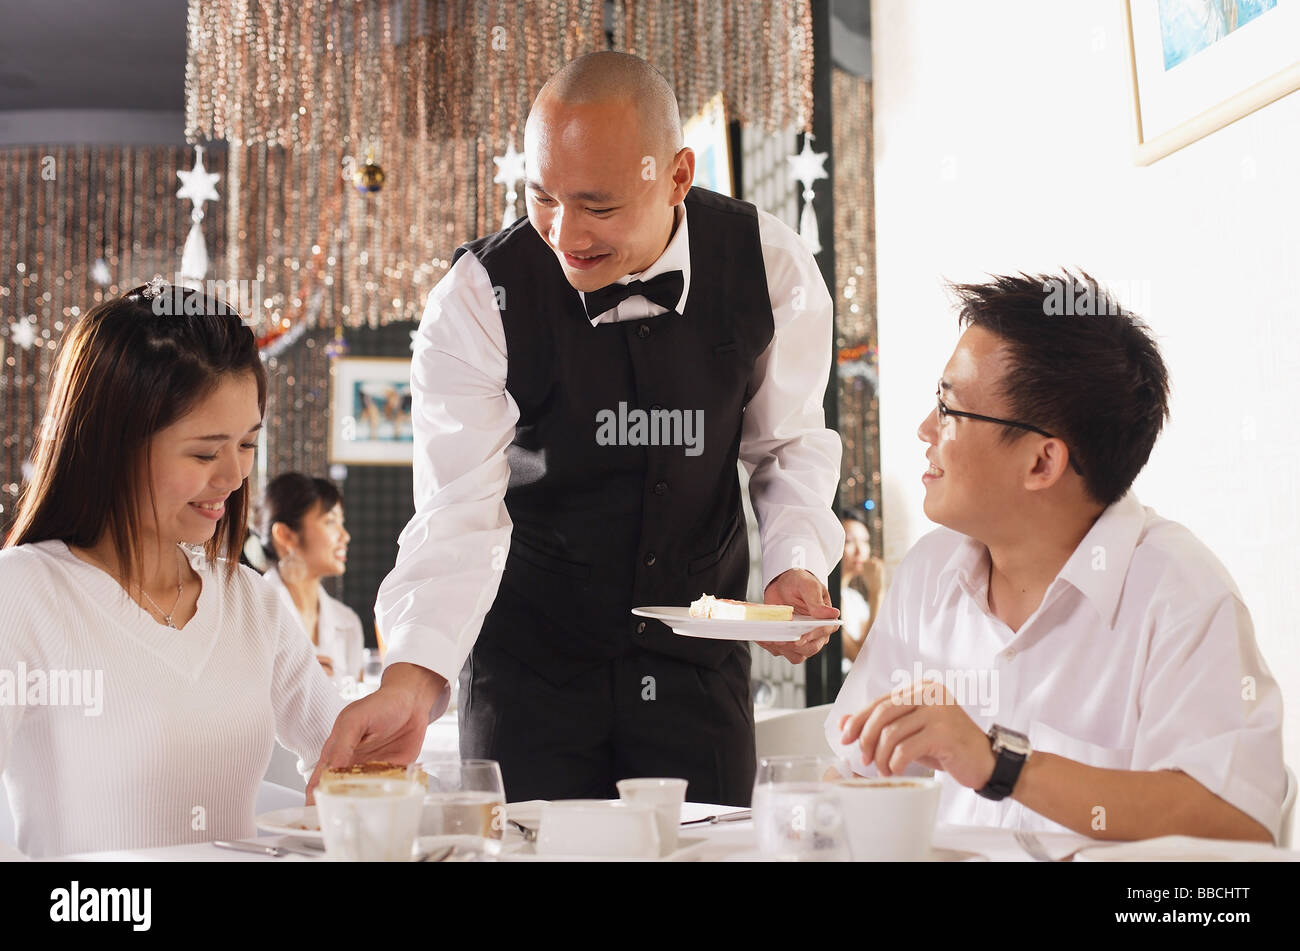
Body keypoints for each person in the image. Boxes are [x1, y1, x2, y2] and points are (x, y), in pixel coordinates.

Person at [312, 51, 844, 806]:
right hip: (529, 679)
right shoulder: (475, 298)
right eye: (542, 199)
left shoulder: (770, 265)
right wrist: (412, 676)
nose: (565, 234)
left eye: (598, 206)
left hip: (696, 681)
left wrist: (795, 565)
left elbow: (788, 445)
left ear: (678, 176)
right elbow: (458, 511)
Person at [827, 271, 1286, 842]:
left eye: (950, 409)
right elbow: (854, 773)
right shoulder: (928, 573)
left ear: (1042, 463)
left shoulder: (1181, 595)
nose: (925, 429)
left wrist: (1001, 765)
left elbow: (1238, 823)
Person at [0, 282, 344, 858]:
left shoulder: (248, 601)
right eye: (205, 453)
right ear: (113, 445)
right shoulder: (24, 593)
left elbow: (345, 755)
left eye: (248, 444)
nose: (234, 477)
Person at [257, 473, 364, 683]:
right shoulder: (250, 613)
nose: (345, 536)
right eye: (330, 522)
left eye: (341, 522)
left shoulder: (348, 623)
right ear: (285, 535)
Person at [839, 508, 884, 668]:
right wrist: (876, 593)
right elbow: (860, 659)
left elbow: (874, 649)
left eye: (865, 541)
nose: (860, 551)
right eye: (849, 542)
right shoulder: (826, 599)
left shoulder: (854, 598)